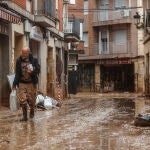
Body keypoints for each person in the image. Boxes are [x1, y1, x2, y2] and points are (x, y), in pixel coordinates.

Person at [13, 47, 40, 121]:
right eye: (22, 53)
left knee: (32, 100)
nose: (23, 54)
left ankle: (32, 110)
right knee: (22, 99)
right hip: (22, 83)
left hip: (31, 83)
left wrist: (32, 72)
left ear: (29, 53)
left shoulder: (34, 60)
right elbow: (17, 73)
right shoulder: (19, 60)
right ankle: (25, 117)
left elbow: (38, 70)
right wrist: (14, 84)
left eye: (25, 53)